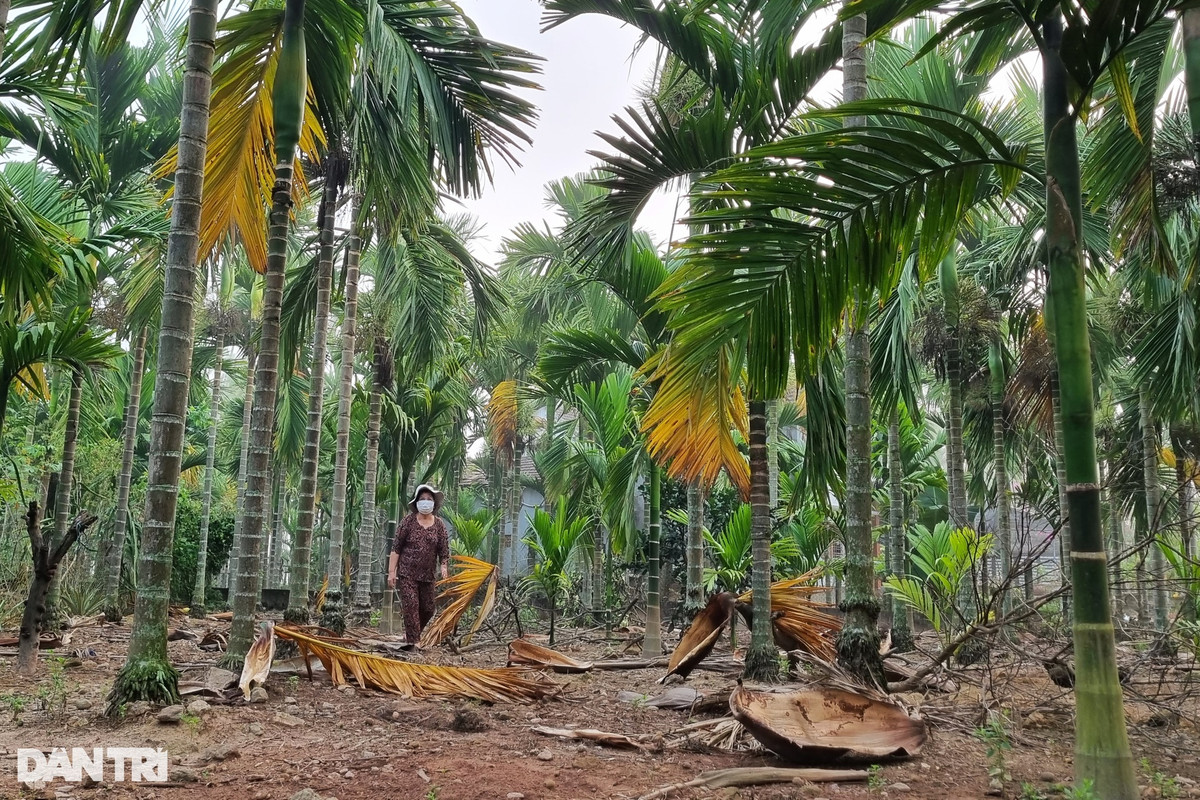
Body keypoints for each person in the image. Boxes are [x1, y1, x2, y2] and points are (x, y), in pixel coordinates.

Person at [387, 484, 450, 643]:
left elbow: (444, 547)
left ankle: (412, 633)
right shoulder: (408, 521)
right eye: (422, 499)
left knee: (428, 609)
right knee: (411, 607)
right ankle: (413, 643)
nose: (426, 502)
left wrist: (443, 565)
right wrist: (391, 572)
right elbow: (396, 547)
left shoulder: (439, 524)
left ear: (434, 503)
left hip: (428, 575)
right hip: (407, 573)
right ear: (416, 502)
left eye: (429, 499)